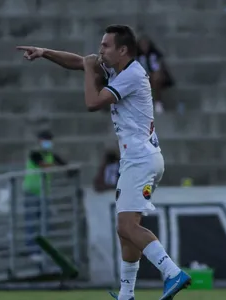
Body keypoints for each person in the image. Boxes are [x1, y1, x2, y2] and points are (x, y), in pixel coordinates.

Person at [16, 24, 190, 300]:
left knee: (126, 226)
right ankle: (126, 294)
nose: (100, 50)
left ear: (123, 50)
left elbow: (92, 102)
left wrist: (88, 69)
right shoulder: (119, 69)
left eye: (106, 46)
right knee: (126, 229)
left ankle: (172, 272)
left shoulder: (131, 75)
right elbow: (78, 61)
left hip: (140, 160)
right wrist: (45, 52)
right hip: (140, 158)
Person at [22, 130, 67, 261]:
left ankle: (43, 250)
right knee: (32, 222)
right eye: (44, 140)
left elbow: (64, 164)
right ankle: (32, 250)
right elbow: (42, 164)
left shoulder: (51, 155)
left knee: (44, 222)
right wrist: (55, 166)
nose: (47, 143)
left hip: (43, 192)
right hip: (31, 191)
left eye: (49, 140)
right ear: (39, 141)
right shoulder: (35, 153)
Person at [137, 35, 175, 114]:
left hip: (155, 77)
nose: (144, 47)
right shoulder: (137, 57)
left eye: (145, 45)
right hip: (143, 78)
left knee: (155, 77)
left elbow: (158, 69)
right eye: (142, 45)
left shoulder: (155, 55)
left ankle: (158, 103)